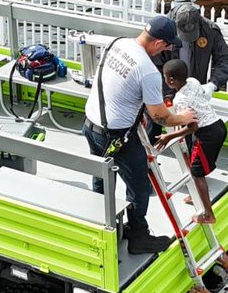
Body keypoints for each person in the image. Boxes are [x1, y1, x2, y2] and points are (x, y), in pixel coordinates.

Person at [84, 15, 198, 255]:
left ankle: (99, 226)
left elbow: (118, 85)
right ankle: (138, 236)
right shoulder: (148, 71)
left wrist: (136, 114)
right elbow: (160, 116)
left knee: (102, 176)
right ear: (158, 43)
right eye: (167, 46)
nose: (166, 51)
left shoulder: (117, 44)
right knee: (139, 185)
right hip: (117, 137)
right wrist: (184, 117)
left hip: (91, 124)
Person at [156, 59, 227, 224]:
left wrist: (168, 136)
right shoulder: (193, 81)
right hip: (219, 125)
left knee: (197, 173)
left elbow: (192, 127)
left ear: (171, 80)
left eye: (164, 77)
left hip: (207, 134)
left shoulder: (179, 101)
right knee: (197, 165)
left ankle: (208, 215)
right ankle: (196, 196)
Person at [167, 2, 228, 94]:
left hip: (196, 91)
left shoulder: (210, 30)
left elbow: (224, 58)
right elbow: (155, 63)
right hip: (165, 91)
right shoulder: (163, 28)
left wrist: (213, 84)